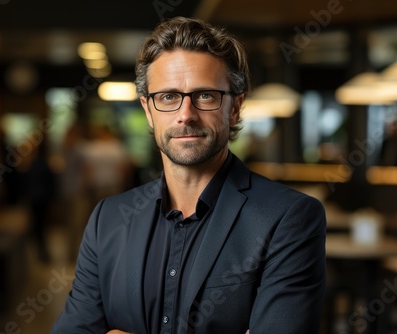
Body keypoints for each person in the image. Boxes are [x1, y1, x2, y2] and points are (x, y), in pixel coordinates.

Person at [52, 17, 326, 334]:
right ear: (147, 110)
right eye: (168, 97)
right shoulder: (108, 220)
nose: (185, 115)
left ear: (235, 107)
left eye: (205, 95)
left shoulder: (287, 218)